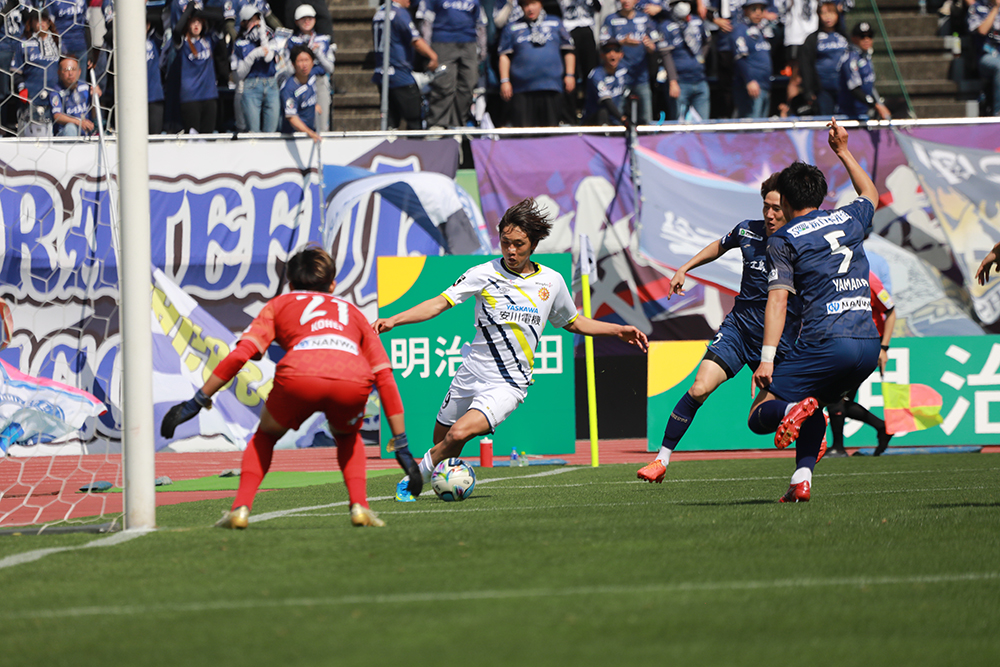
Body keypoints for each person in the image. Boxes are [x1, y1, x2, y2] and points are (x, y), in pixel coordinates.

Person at [374, 198, 648, 502]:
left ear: (533, 244)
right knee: (442, 444)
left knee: (457, 435)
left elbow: (573, 322)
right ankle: (444, 480)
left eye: (519, 244)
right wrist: (394, 320)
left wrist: (617, 330)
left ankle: (412, 480)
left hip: (508, 384)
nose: (511, 250)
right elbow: (440, 302)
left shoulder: (551, 282)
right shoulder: (483, 273)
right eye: (506, 243)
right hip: (470, 373)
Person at [160, 245, 421, 529]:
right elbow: (384, 377)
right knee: (347, 437)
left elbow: (239, 356)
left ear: (291, 284)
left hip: (299, 376)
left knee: (265, 437)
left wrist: (198, 400)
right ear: (332, 285)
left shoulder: (279, 304)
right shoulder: (352, 312)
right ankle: (360, 507)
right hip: (351, 378)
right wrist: (402, 445)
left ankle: (240, 509)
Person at [748, 117, 880, 503]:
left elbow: (778, 299)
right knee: (814, 407)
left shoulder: (784, 240)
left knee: (760, 414)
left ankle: (793, 408)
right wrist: (843, 150)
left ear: (786, 202)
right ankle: (801, 479)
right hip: (867, 344)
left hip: (828, 341)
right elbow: (870, 192)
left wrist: (767, 359)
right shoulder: (849, 218)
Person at [637, 174, 799, 483]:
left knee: (764, 417)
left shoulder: (798, 242)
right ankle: (661, 460)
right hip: (739, 330)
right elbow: (719, 245)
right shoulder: (747, 230)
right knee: (699, 388)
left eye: (776, 208)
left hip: (778, 338)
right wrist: (685, 267)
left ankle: (805, 456)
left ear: (790, 208)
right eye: (765, 206)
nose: (769, 214)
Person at [825, 270, 896, 457]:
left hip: (866, 346)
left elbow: (891, 311)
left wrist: (883, 347)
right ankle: (882, 428)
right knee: (840, 400)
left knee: (834, 397)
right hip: (844, 345)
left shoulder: (869, 277)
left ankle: (838, 448)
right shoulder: (832, 273)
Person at [498, 0, 576, 127]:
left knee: (550, 130)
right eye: (526, 5)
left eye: (533, 3)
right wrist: (505, 81)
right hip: (522, 89)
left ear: (541, 4)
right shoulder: (512, 27)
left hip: (552, 87)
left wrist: (570, 74)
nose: (530, 8)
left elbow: (569, 50)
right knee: (524, 131)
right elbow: (504, 56)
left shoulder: (556, 23)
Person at [371, 0, 439, 129]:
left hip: (382, 73)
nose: (410, 2)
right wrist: (432, 56)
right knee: (414, 119)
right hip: (399, 73)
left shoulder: (379, 13)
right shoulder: (399, 13)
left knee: (390, 122)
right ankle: (416, 143)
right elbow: (415, 40)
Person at [421, 0, 484, 129]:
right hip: (442, 41)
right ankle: (438, 124)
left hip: (469, 43)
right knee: (443, 84)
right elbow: (426, 22)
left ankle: (458, 124)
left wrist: (483, 48)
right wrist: (428, 50)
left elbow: (481, 23)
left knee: (469, 83)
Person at [599, 0, 655, 124]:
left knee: (646, 118)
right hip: (619, 77)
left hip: (641, 76)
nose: (626, 1)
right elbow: (602, 43)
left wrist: (650, 46)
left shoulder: (644, 18)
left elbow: (655, 43)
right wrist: (621, 42)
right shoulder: (611, 19)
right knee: (617, 118)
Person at [655, 0, 710, 121]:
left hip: (700, 79)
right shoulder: (666, 26)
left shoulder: (697, 22)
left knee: (702, 123)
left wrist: (701, 58)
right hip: (680, 82)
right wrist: (673, 81)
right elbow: (666, 55)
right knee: (679, 122)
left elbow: (707, 40)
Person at [286, 3, 334, 132]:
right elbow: (288, 68)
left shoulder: (324, 39)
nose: (307, 21)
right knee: (300, 123)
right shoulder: (291, 41)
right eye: (303, 19)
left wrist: (318, 53)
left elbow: (330, 68)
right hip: (299, 83)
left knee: (322, 123)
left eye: (310, 18)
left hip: (319, 81)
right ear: (296, 21)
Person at [232, 3, 280, 133]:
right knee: (254, 132)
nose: (256, 24)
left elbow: (268, 58)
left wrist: (263, 36)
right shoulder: (239, 43)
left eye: (258, 20)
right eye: (252, 20)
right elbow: (240, 74)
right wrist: (252, 56)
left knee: (271, 132)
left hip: (271, 84)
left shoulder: (270, 37)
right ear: (244, 22)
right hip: (251, 86)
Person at [172, 7, 219, 134]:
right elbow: (176, 30)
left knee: (208, 137)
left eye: (199, 22)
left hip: (209, 96)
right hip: (190, 98)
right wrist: (191, 7)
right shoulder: (183, 43)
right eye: (193, 22)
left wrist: (199, 12)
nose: (196, 25)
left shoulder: (208, 40)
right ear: (188, 24)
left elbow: (221, 18)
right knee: (193, 138)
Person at [799, 0, 847, 116]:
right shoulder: (812, 39)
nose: (828, 17)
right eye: (824, 13)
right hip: (823, 89)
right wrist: (809, 90)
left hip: (844, 89)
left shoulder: (844, 37)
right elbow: (806, 66)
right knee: (826, 119)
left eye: (831, 13)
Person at [837, 21, 890, 120]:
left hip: (865, 110)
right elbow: (854, 88)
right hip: (851, 113)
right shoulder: (851, 59)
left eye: (869, 36)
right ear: (854, 39)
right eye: (862, 37)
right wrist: (876, 106)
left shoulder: (866, 57)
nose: (866, 40)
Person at [732, 0, 772, 118]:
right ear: (746, 11)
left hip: (764, 85)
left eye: (761, 9)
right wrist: (749, 81)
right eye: (754, 9)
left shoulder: (762, 31)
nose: (758, 13)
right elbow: (740, 57)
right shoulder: (740, 30)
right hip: (751, 86)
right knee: (751, 124)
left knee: (762, 125)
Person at [582, 39, 629, 125]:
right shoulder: (596, 74)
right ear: (602, 55)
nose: (612, 54)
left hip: (615, 119)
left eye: (616, 50)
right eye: (608, 51)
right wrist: (623, 119)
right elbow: (606, 101)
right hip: (594, 120)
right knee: (603, 111)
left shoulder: (623, 71)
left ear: (621, 54)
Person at [280, 44, 320, 141]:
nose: (304, 65)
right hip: (293, 137)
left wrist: (314, 105)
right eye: (300, 61)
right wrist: (309, 133)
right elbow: (292, 117)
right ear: (293, 64)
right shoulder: (289, 88)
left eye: (307, 60)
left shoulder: (312, 77)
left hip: (310, 133)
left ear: (312, 62)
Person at [49, 55, 97, 136]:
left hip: (86, 133)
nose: (70, 73)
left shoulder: (86, 87)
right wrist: (78, 122)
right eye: (66, 70)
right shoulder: (56, 91)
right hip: (65, 135)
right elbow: (57, 116)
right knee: (70, 128)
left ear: (79, 71)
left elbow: (94, 115)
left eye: (73, 69)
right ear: (59, 72)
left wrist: (95, 98)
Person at [967, 0, 1000, 116]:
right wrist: (995, 8)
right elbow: (982, 30)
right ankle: (998, 114)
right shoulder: (977, 8)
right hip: (986, 56)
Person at [147, 16, 165, 134]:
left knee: (155, 137)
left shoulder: (154, 41)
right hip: (133, 100)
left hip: (154, 97)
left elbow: (160, 23)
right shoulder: (126, 44)